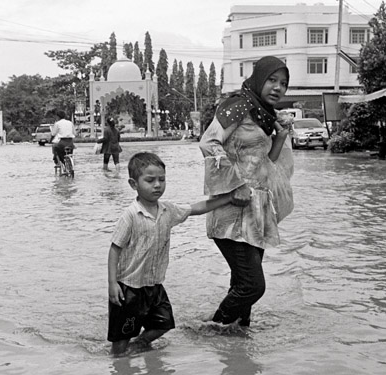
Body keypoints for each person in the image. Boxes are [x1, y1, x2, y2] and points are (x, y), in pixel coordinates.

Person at [198, 55, 294, 327]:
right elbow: (209, 143)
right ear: (258, 79)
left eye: (284, 83)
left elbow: (266, 163)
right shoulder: (237, 106)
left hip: (255, 213)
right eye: (272, 80)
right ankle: (210, 331)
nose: (278, 88)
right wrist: (236, 184)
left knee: (242, 288)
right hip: (231, 210)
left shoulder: (265, 115)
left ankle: (237, 352)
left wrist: (281, 137)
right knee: (253, 287)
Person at [107, 152, 235, 356]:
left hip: (154, 285)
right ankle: (120, 365)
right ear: (134, 184)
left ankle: (141, 343)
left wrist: (228, 198)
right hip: (128, 288)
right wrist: (112, 284)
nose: (157, 185)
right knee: (120, 340)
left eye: (162, 179)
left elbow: (197, 208)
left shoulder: (168, 210)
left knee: (164, 323)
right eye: (150, 180)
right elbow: (115, 249)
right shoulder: (130, 215)